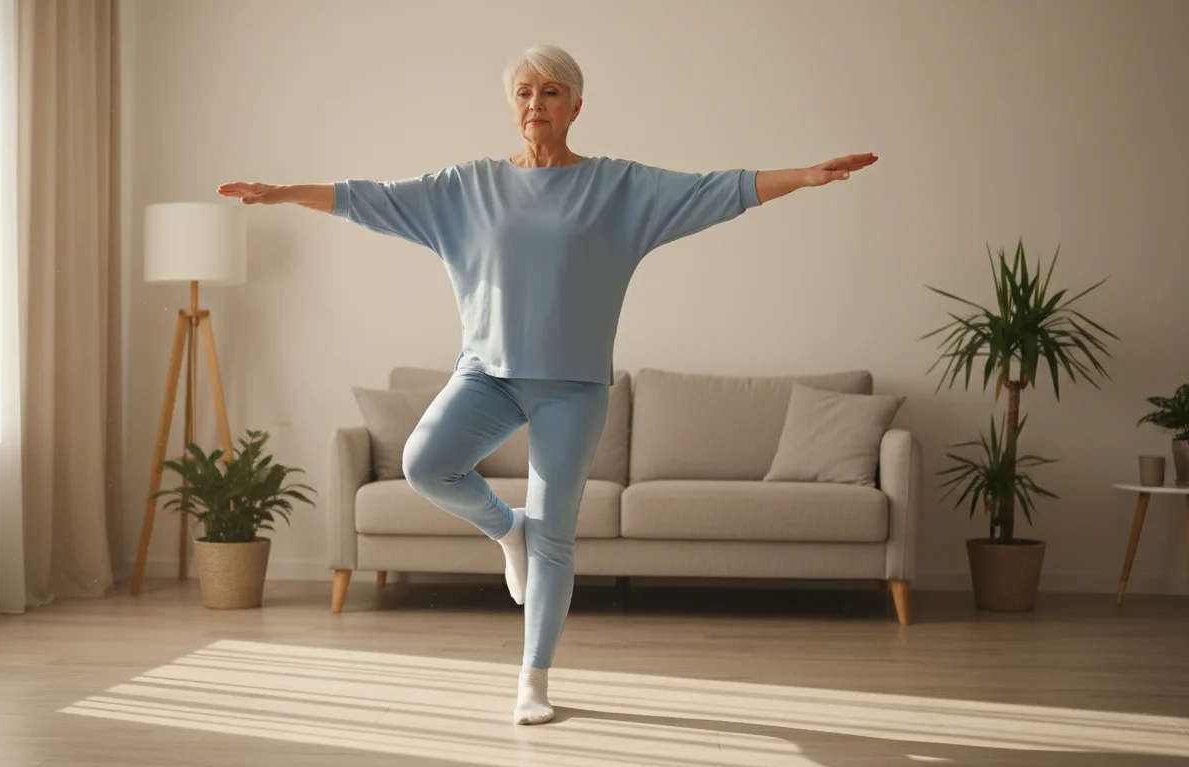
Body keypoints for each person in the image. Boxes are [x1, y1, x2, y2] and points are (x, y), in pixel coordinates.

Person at [218, 44, 877, 726]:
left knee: (557, 536)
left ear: (576, 107)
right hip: (487, 375)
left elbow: (715, 190)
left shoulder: (619, 189)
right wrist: (283, 193)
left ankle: (533, 681)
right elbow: (371, 200)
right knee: (425, 463)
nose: (537, 103)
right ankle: (507, 532)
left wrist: (805, 175)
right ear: (513, 107)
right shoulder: (466, 188)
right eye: (526, 92)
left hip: (574, 387)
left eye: (553, 92)